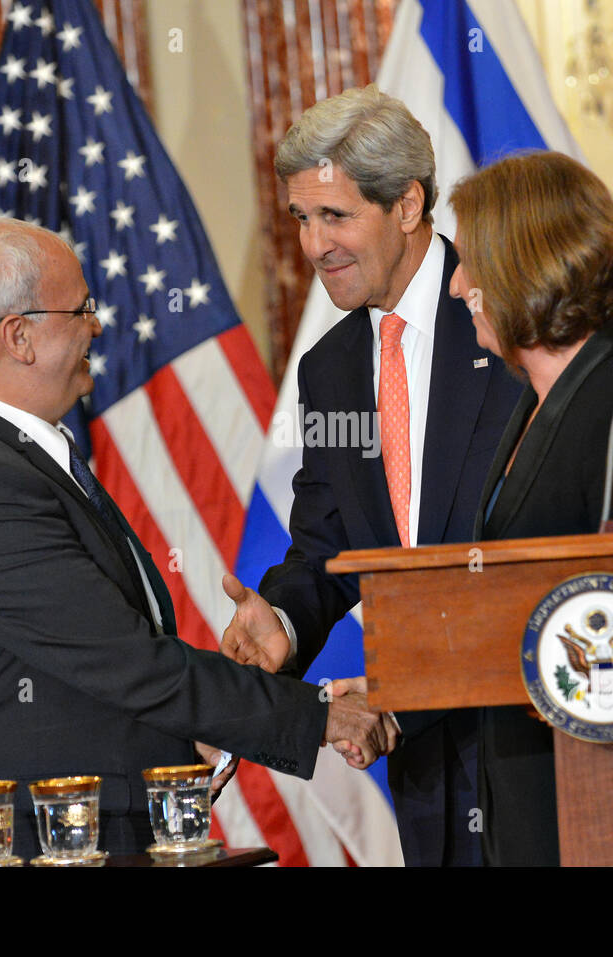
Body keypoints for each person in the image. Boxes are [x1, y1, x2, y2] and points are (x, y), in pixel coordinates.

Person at [0, 216, 395, 866]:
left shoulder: (14, 458)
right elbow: (126, 661)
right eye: (81, 309)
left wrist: (199, 733)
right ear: (19, 336)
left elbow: (97, 674)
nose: (98, 327)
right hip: (36, 846)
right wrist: (315, 713)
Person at [218, 86, 523, 866]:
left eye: (336, 216)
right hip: (423, 769)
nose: (314, 246)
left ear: (409, 205)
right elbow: (326, 541)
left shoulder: (514, 313)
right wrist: (282, 624)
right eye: (300, 219)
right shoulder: (332, 368)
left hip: (536, 742)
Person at [446, 150, 613, 865]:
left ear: (523, 261)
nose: (457, 284)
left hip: (608, 811)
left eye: (470, 260)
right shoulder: (533, 406)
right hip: (528, 795)